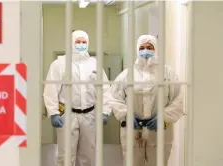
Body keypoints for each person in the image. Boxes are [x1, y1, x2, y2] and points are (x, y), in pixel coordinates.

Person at [103, 35, 184, 166]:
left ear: (156, 49)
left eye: (149, 47)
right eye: (142, 48)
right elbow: (113, 98)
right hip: (133, 131)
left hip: (160, 131)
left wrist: (164, 116)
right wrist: (126, 114)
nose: (145, 51)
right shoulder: (127, 74)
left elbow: (178, 100)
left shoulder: (167, 74)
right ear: (137, 49)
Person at [43, 30, 110, 166]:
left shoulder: (94, 64)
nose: (81, 45)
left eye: (84, 42)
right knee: (65, 155)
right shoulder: (60, 64)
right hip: (67, 115)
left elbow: (105, 89)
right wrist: (53, 113)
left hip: (90, 115)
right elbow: (51, 89)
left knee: (88, 155)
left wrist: (105, 111)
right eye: (78, 42)